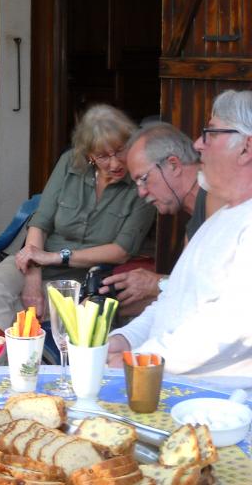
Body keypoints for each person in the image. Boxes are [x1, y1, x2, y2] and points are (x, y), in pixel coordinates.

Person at [107, 90, 252, 388]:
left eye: (211, 133)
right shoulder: (221, 218)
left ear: (246, 148)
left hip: (213, 401)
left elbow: (234, 325)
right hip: (168, 383)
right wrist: (124, 339)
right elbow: (173, 299)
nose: (197, 144)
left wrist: (142, 358)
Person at [0, 105, 156, 330]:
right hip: (34, 262)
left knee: (20, 312)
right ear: (89, 155)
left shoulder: (142, 183)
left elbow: (121, 250)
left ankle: (3, 349)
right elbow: (41, 222)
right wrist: (33, 278)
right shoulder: (70, 163)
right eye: (103, 156)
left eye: (119, 151)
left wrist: (56, 257)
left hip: (82, 277)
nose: (115, 163)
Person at [98, 123, 224, 312]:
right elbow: (183, 294)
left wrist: (156, 283)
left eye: (143, 179)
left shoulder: (221, 199)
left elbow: (220, 293)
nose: (141, 192)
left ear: (173, 165)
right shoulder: (197, 213)